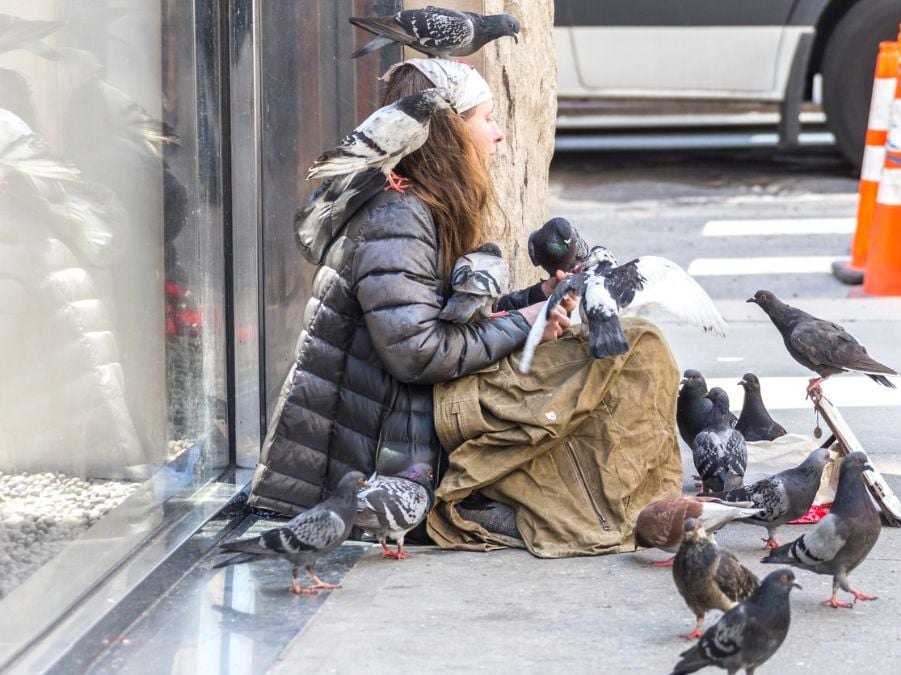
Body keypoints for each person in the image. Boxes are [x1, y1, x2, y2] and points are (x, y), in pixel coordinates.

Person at [248, 58, 681, 557]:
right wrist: (523, 324)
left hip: (415, 413)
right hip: (395, 450)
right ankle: (483, 502)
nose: (498, 135)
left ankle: (541, 495)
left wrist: (535, 302)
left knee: (621, 345)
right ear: (449, 133)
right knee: (637, 351)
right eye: (486, 119)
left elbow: (445, 315)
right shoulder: (399, 216)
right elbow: (416, 352)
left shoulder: (418, 206)